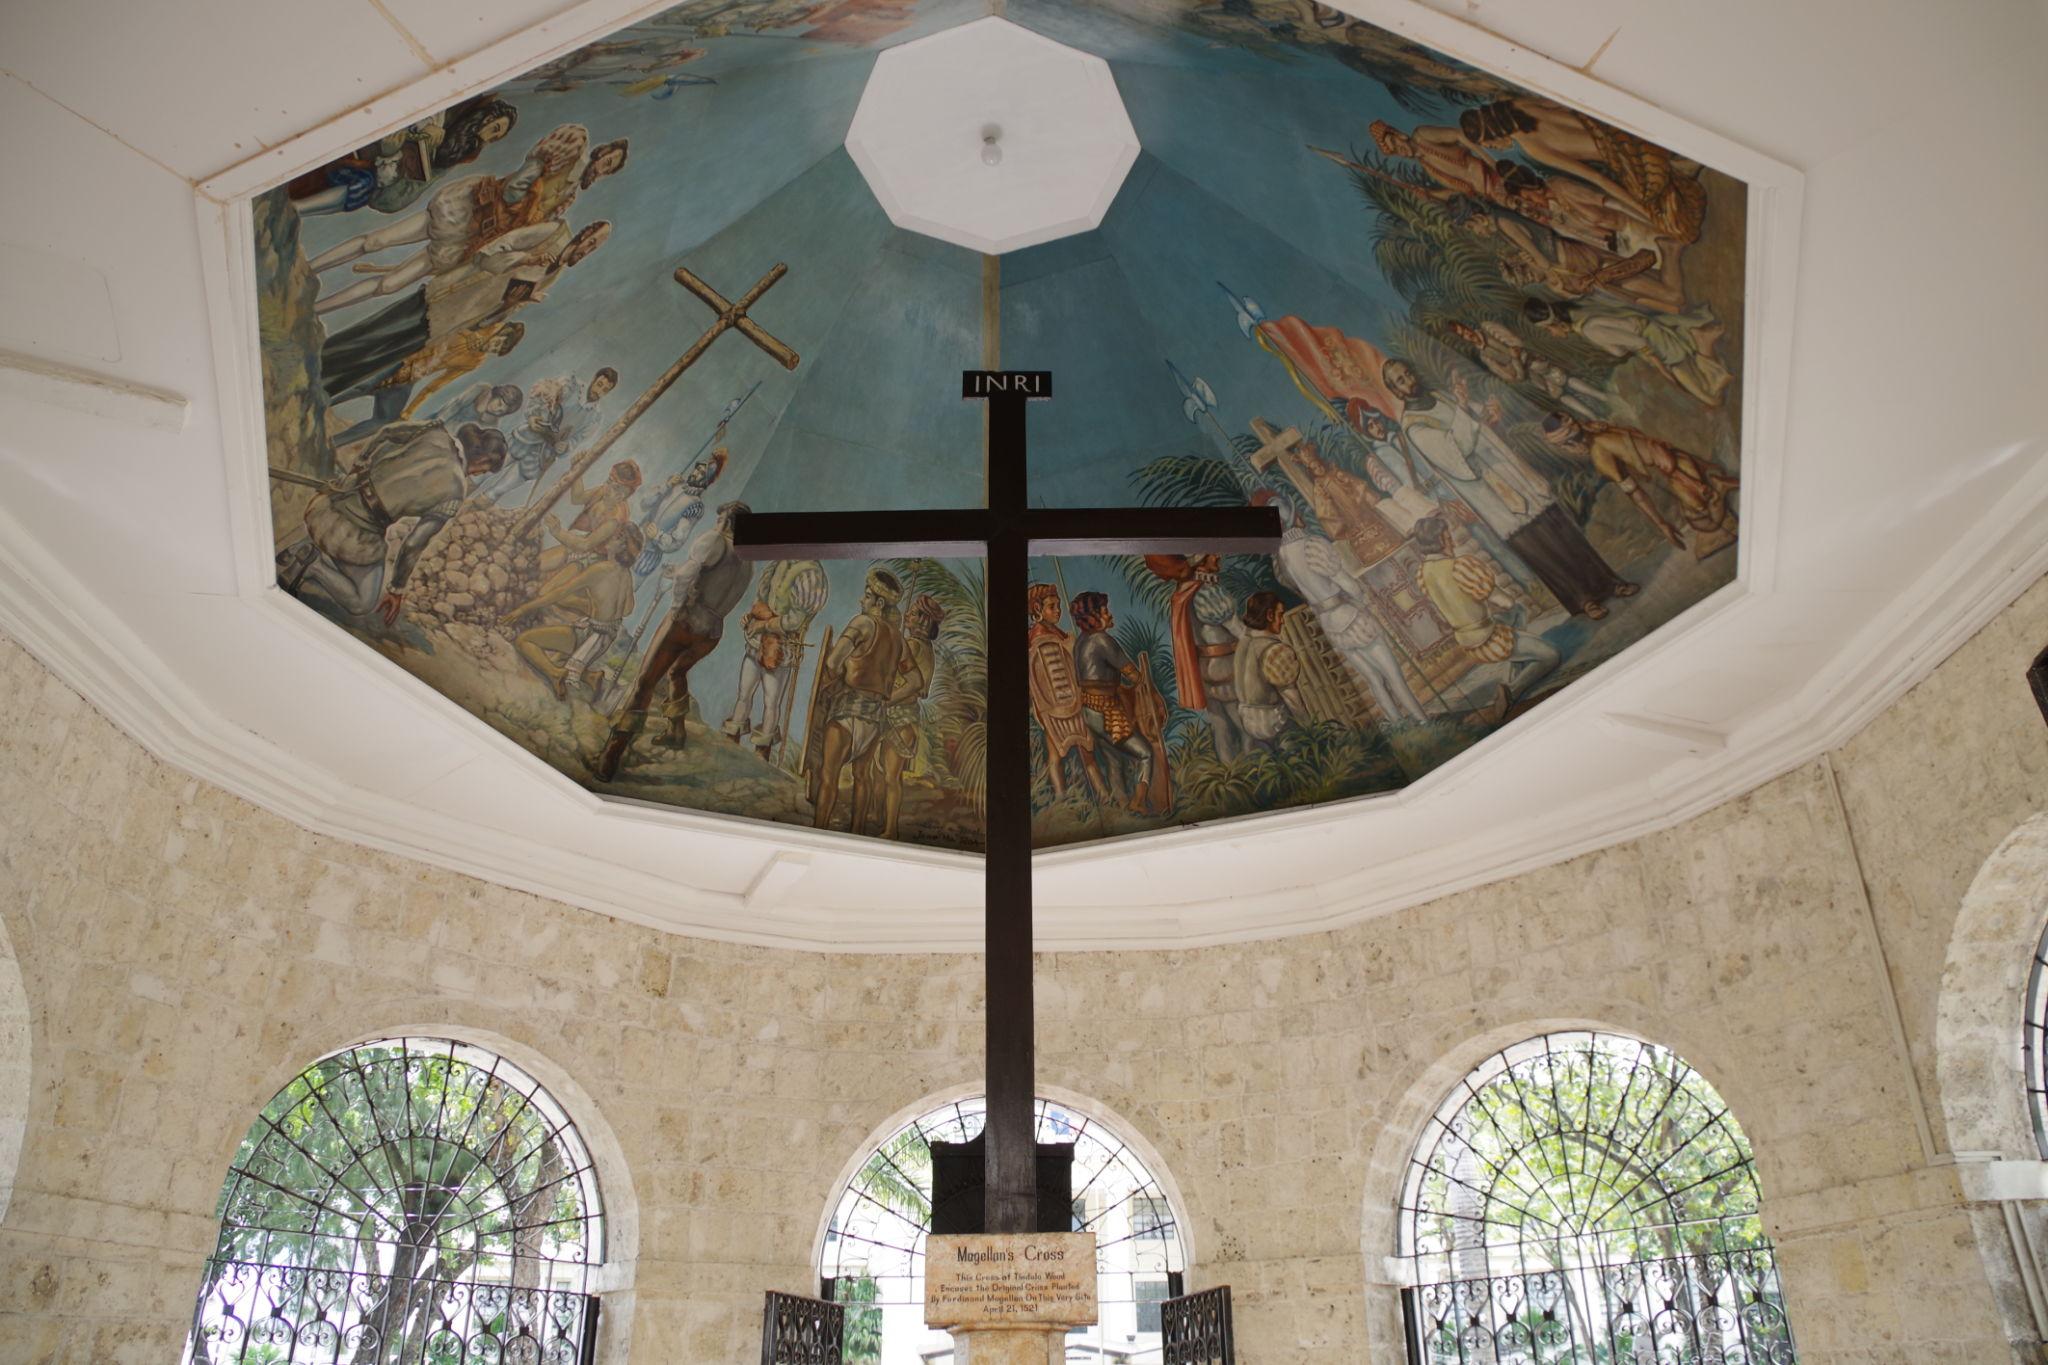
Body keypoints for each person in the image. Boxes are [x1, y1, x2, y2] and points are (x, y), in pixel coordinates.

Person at [1385, 358, 1635, 620]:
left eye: (1408, 373)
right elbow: (1454, 453)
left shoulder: (1439, 396)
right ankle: (1583, 601)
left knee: (1564, 532)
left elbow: (1473, 416)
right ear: (1396, 391)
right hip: (1491, 493)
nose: (1409, 381)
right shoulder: (1414, 426)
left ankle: (1610, 582)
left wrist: (1488, 411)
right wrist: (1463, 408)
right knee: (1541, 549)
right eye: (1400, 380)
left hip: (1511, 474)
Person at [319, 221, 608, 434]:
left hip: (453, 324)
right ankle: (316, 365)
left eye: (594, 250)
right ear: (584, 234)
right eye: (591, 244)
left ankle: (322, 389)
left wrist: (512, 303)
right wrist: (524, 259)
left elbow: (498, 314)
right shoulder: (553, 233)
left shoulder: (553, 275)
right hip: (445, 298)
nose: (588, 251)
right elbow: (489, 252)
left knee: (381, 358)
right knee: (373, 335)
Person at [309, 125, 626, 312]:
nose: (605, 168)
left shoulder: (569, 197)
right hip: (473, 207)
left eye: (611, 169)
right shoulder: (573, 148)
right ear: (600, 153)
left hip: (478, 238)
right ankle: (311, 269)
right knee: (377, 240)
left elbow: (527, 228)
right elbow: (517, 187)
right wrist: (522, 205)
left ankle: (317, 309)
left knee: (389, 285)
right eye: (608, 161)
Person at [276, 421, 507, 624]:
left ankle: (305, 547)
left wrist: (359, 465)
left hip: (328, 506)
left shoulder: (433, 431)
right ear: (483, 459)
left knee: (338, 540)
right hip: (356, 536)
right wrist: (397, 588)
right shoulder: (456, 491)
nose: (477, 474)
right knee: (362, 603)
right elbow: (414, 543)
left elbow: (386, 432)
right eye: (484, 469)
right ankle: (313, 565)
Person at [592, 501, 753, 780]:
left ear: (726, 519)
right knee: (677, 671)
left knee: (645, 680)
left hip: (686, 621)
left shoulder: (714, 539)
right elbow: (715, 583)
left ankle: (612, 754)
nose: (717, 522)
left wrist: (678, 605)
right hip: (711, 631)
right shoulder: (747, 560)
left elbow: (688, 576)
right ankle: (676, 731)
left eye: (720, 517)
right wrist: (680, 574)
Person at [1262, 490, 1428, 724]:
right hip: (1349, 615)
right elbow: (1348, 584)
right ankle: (1424, 721)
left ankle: (1399, 724)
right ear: (1292, 516)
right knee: (1394, 675)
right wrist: (1360, 595)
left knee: (1373, 679)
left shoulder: (1281, 557)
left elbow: (1294, 586)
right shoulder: (1312, 544)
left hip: (1329, 624)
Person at [1457, 97, 1705, 248]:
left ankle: (1676, 168)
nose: (1490, 148)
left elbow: (1596, 177)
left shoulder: (1533, 147)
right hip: (1614, 127)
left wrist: (1646, 214)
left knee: (1679, 228)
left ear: (1493, 135)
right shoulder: (1518, 105)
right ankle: (1676, 162)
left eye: (1488, 144)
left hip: (1631, 156)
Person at [1411, 514, 1559, 722]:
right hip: (1487, 636)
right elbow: (1504, 601)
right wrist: (1506, 603)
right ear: (1442, 540)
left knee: (1511, 621)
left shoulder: (1422, 573)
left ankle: (1516, 666)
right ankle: (1511, 691)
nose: (1451, 541)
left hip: (1465, 639)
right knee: (1550, 653)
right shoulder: (1460, 566)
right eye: (1447, 536)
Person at [1540, 412, 1739, 553]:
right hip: (1683, 462)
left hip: (1680, 475)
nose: (1567, 451)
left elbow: (1636, 493)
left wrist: (1661, 524)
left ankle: (1716, 489)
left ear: (1571, 443)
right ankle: (1713, 484)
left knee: (1703, 524)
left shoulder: (1599, 454)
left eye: (1564, 447)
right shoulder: (1602, 430)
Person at [288, 97, 518, 217]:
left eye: (496, 134)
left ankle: (297, 211)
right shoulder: (445, 116)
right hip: (354, 141)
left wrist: (392, 153)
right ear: (484, 117)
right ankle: (296, 209)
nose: (489, 134)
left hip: (374, 166)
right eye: (493, 126)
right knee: (359, 182)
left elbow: (402, 192)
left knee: (362, 186)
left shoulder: (460, 152)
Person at [808, 570, 906, 833]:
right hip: (875, 718)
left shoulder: (862, 623)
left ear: (880, 603)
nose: (861, 600)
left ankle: (819, 829)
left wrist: (832, 677)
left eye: (866, 595)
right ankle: (857, 832)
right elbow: (908, 680)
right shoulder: (898, 638)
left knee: (829, 778)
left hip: (847, 710)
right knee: (862, 777)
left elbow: (832, 662)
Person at [502, 523, 644, 700]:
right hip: (606, 637)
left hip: (591, 636)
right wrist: (597, 606)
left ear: (621, 547)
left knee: (524, 641)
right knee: (559, 656)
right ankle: (592, 677)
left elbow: (558, 592)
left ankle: (555, 674)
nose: (608, 539)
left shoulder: (600, 569)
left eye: (614, 538)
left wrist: (523, 608)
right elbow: (628, 609)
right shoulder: (626, 575)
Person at [1523, 297, 1732, 408]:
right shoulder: (1579, 312)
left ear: (1557, 323)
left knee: (1711, 399)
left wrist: (1662, 369)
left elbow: (1636, 342)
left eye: (1548, 329)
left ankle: (1704, 345)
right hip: (1653, 330)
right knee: (1703, 389)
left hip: (1658, 344)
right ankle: (1702, 345)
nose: (1551, 334)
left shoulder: (1589, 330)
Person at [1071, 592, 1170, 814]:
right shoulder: (1102, 640)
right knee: (1145, 753)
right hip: (1106, 712)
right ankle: (1138, 801)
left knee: (1114, 760)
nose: (1109, 613)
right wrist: (1144, 682)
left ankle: (1122, 806)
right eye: (1104, 610)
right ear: (1094, 616)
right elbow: (1134, 676)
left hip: (1089, 711)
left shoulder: (1080, 643)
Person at [1142, 553, 1246, 763]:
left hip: (1205, 669)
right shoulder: (1207, 591)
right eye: (1209, 554)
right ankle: (1260, 769)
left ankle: (1232, 772)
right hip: (1226, 666)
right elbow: (1241, 632)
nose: (1217, 556)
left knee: (1220, 725)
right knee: (1243, 720)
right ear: (1199, 561)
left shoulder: (1184, 592)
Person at [721, 557, 824, 759]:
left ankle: (762, 752)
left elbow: (794, 621)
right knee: (744, 694)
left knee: (771, 701)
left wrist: (764, 625)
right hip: (756, 643)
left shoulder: (811, 573)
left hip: (781, 648)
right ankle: (731, 742)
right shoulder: (780, 563)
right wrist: (751, 617)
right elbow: (761, 600)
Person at [477, 368, 619, 506]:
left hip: (544, 454)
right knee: (488, 466)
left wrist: (566, 446)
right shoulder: (571, 385)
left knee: (503, 486)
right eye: (599, 384)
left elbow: (577, 439)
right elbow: (541, 396)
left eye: (605, 390)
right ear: (594, 378)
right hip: (528, 435)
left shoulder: (595, 417)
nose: (598, 391)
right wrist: (533, 417)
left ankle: (481, 504)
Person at [868, 593, 944, 840]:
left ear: (922, 620)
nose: (907, 616)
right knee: (881, 772)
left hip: (900, 716)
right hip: (900, 716)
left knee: (891, 776)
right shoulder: (923, 648)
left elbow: (914, 686)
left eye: (912, 613)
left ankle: (890, 829)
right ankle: (876, 818)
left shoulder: (913, 646)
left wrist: (887, 698)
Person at [1026, 582, 1108, 800]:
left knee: (1087, 753)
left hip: (1073, 703)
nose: (1058, 611)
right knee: (1055, 756)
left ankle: (1104, 797)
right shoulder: (1037, 637)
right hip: (1053, 708)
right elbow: (1039, 677)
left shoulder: (1061, 635)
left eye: (1058, 605)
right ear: (1037, 610)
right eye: (1052, 606)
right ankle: (1062, 800)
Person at [1443, 319, 1607, 419]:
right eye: (1462, 335)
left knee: (1564, 378)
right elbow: (1513, 376)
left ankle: (1603, 397)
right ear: (1462, 339)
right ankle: (1594, 416)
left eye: (1464, 329)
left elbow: (1515, 342)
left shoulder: (1487, 328)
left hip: (1535, 361)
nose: (1466, 334)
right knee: (1559, 393)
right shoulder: (1485, 357)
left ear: (1467, 326)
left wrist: (1516, 359)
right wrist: (1515, 360)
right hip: (1531, 376)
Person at [634, 448, 727, 592]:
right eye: (697, 469)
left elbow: (678, 540)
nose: (695, 473)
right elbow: (645, 503)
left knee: (625, 593)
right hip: (633, 538)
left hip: (649, 553)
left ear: (706, 481)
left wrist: (658, 535)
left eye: (701, 473)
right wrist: (666, 486)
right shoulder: (675, 484)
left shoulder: (695, 505)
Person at [537, 458, 642, 577]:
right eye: (609, 481)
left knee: (546, 575)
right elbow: (577, 498)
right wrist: (578, 470)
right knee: (537, 563)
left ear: (623, 496)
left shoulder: (614, 520)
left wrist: (557, 532)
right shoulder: (604, 491)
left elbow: (585, 545)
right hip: (578, 543)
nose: (608, 487)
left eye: (616, 488)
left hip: (593, 557)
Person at [1231, 592, 1309, 747]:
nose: (1282, 621)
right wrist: (1309, 726)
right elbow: (1291, 698)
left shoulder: (1243, 644)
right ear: (1269, 615)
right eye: (1280, 615)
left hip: (1247, 719)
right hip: (1271, 720)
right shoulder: (1275, 650)